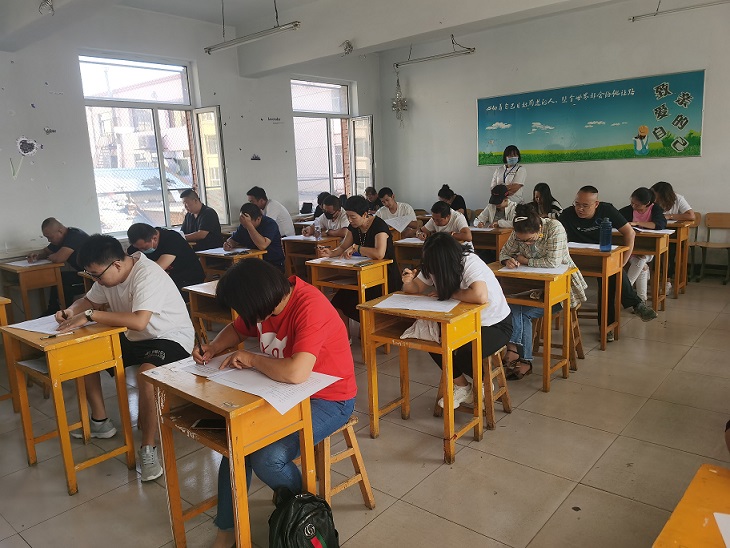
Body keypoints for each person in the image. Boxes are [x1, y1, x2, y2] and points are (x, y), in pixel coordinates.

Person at [193, 260, 356, 548]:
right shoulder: (266, 303)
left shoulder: (309, 306)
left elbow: (296, 372)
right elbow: (237, 329)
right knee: (236, 443)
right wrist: (214, 347)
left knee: (268, 458)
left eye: (245, 310)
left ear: (259, 301)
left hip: (330, 400)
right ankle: (227, 530)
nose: (246, 317)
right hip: (286, 394)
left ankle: (306, 515)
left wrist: (252, 359)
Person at [54, 234, 194, 482]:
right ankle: (100, 421)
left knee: (146, 375)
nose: (96, 280)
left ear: (116, 265)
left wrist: (90, 315)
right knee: (85, 353)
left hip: (170, 336)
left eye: (97, 275)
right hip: (135, 337)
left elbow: (139, 321)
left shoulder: (146, 274)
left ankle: (148, 448)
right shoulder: (108, 275)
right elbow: (88, 300)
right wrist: (69, 311)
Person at [401, 233, 512, 408]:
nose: (431, 268)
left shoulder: (469, 262)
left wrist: (448, 293)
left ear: (445, 258)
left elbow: (480, 296)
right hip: (463, 322)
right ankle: (463, 387)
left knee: (465, 350)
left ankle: (482, 382)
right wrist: (408, 282)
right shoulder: (434, 262)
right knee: (431, 339)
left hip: (494, 323)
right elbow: (416, 287)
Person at [499, 204, 587, 379]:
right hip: (529, 287)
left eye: (530, 240)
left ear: (539, 228)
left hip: (560, 289)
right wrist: (507, 260)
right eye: (522, 241)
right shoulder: (518, 231)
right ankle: (519, 355)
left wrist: (525, 260)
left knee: (519, 311)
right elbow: (504, 252)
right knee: (511, 307)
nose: (526, 244)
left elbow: (553, 262)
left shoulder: (555, 228)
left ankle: (518, 355)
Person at [559, 186, 657, 341]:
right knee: (614, 273)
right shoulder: (567, 214)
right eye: (577, 204)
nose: (580, 209)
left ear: (596, 204)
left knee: (611, 279)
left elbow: (629, 233)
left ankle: (607, 327)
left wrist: (623, 261)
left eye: (585, 205)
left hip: (601, 257)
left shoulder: (607, 210)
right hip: (575, 259)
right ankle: (636, 304)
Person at [319, 195, 402, 329]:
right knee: (338, 302)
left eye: (353, 217)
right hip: (363, 275)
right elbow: (343, 247)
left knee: (360, 304)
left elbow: (379, 254)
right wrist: (331, 253)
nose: (350, 220)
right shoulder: (353, 227)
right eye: (348, 216)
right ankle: (346, 338)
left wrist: (357, 248)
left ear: (364, 214)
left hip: (384, 277)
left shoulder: (379, 225)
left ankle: (366, 330)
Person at [27, 217, 90, 314]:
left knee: (64, 285)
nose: (49, 240)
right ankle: (53, 310)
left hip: (92, 277)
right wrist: (37, 255)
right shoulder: (59, 239)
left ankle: (64, 313)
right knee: (58, 278)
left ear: (60, 231)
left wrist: (54, 256)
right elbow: (46, 252)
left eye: (50, 237)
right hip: (82, 274)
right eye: (47, 238)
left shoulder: (75, 236)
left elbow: (59, 258)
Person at [618, 187, 667, 303]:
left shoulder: (655, 209)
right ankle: (641, 300)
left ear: (647, 203)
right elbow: (616, 219)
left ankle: (624, 290)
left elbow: (660, 224)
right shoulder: (628, 210)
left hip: (648, 248)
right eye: (632, 203)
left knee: (641, 260)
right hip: (631, 249)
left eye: (637, 205)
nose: (634, 206)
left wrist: (637, 223)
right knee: (642, 266)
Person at [127, 223, 205, 290]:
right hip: (165, 279)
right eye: (139, 248)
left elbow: (158, 268)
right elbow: (128, 263)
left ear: (154, 238)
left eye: (144, 248)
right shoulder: (140, 242)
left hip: (188, 280)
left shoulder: (172, 239)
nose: (141, 250)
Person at [651, 181, 695, 288]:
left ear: (663, 195)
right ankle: (650, 277)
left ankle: (667, 280)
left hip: (673, 231)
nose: (654, 198)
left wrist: (670, 216)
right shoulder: (651, 199)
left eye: (656, 195)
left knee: (668, 251)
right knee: (650, 248)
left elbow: (691, 216)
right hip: (655, 230)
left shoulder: (678, 199)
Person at [224, 203, 285, 271]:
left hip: (272, 263)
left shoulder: (270, 224)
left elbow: (262, 246)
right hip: (252, 262)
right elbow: (234, 239)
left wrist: (249, 225)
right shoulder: (244, 225)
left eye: (247, 222)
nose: (244, 225)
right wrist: (229, 244)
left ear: (258, 219)